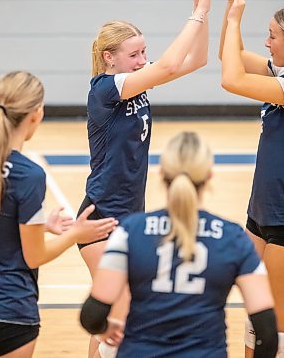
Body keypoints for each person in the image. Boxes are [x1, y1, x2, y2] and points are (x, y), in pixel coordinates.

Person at [77, 0, 221, 357]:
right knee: (116, 314)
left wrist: (200, 12)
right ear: (110, 58)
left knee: (118, 316)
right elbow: (171, 66)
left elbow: (196, 60)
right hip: (102, 214)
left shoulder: (133, 81)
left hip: (129, 214)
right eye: (135, 54)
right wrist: (200, 8)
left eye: (144, 52)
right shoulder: (108, 89)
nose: (143, 61)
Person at [0, 70, 117, 358]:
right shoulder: (29, 174)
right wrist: (76, 234)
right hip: (6, 312)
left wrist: (38, 224)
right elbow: (34, 257)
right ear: (36, 114)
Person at [80, 131, 278, 358]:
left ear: (162, 173)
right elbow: (267, 333)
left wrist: (106, 330)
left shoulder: (130, 232)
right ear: (209, 176)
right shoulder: (233, 238)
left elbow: (92, 316)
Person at [220, 0, 284, 357]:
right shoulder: (276, 72)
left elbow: (231, 79)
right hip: (260, 213)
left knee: (277, 322)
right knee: (254, 317)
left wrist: (234, 17)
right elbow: (231, 57)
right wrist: (232, 6)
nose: (267, 42)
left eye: (273, 34)